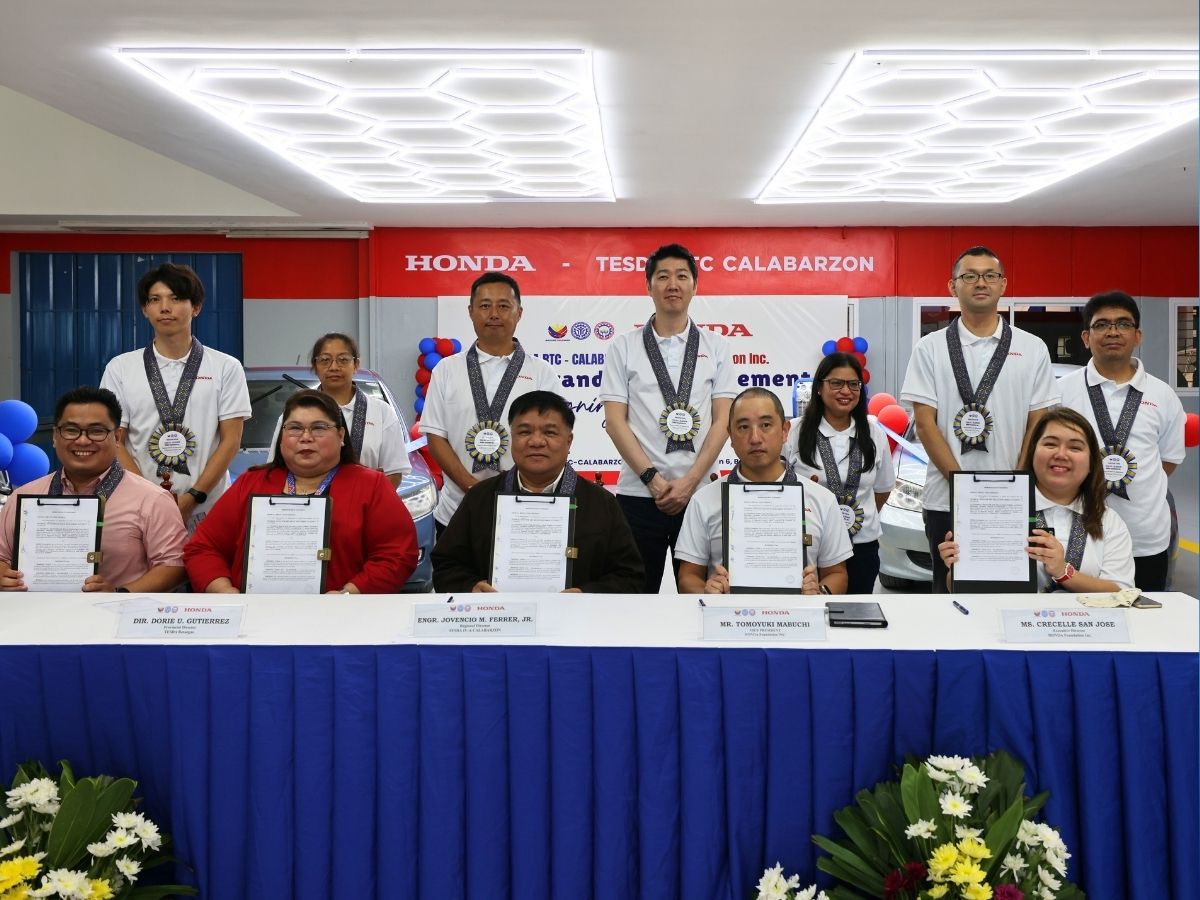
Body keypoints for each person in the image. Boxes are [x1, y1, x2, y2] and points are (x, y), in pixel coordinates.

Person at [900, 246, 1058, 593]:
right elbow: (925, 423)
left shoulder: (1032, 348)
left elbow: (1039, 420)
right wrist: (964, 489)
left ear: (1003, 285)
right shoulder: (930, 347)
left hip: (1013, 497)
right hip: (946, 500)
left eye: (989, 275)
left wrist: (1016, 482)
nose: (980, 282)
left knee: (1013, 592)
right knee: (949, 593)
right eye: (969, 276)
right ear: (952, 287)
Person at [601, 244, 738, 593]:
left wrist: (691, 481)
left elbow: (723, 421)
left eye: (681, 276)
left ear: (695, 285)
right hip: (637, 495)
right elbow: (616, 421)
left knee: (703, 597)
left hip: (701, 495)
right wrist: (653, 479)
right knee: (632, 598)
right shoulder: (624, 347)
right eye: (662, 276)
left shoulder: (717, 346)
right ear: (649, 287)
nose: (672, 284)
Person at [184, 390, 417, 593]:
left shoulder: (371, 486)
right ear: (282, 436)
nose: (306, 438)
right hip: (256, 619)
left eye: (319, 428)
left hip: (343, 619)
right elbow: (203, 548)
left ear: (341, 436)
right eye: (295, 428)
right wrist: (225, 592)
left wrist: (350, 595)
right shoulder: (251, 483)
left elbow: (397, 555)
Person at [432, 391, 644, 593]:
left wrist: (586, 594)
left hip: (578, 622)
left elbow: (630, 576)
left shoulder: (600, 503)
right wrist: (471, 587)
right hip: (496, 621)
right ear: (512, 438)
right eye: (524, 432)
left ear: (569, 441)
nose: (536, 442)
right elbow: (446, 565)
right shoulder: (480, 497)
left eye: (550, 433)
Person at [100, 262, 251, 531]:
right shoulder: (121, 368)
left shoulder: (226, 367)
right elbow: (115, 441)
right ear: (145, 310)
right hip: (139, 508)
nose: (165, 307)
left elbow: (231, 440)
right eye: (155, 300)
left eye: (176, 298)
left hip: (209, 506)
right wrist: (149, 499)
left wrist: (193, 498)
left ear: (196, 307)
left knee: (206, 572)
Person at [1057, 291, 1186, 591]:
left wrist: (1123, 479)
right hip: (1078, 535)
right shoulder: (1061, 393)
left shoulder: (1162, 394)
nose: (1113, 331)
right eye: (1102, 324)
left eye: (1123, 324)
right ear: (1086, 337)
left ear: (1137, 335)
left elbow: (1167, 460)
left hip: (1145, 538)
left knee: (1145, 626)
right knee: (1078, 625)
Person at [0, 387, 187, 592]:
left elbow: (174, 566)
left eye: (96, 431)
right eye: (71, 430)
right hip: (34, 617)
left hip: (116, 619)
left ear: (117, 438)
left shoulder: (152, 500)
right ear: (55, 436)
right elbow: (2, 557)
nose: (82, 440)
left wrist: (118, 593)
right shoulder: (22, 497)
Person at [937, 407, 1135, 593]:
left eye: (1075, 447)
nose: (1061, 454)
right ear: (1032, 453)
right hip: (1007, 624)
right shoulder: (994, 510)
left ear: (1092, 463)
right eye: (1050, 444)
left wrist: (1063, 572)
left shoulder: (1108, 521)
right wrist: (956, 570)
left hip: (1085, 627)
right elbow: (958, 589)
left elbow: (1121, 593)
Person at [422, 272, 560, 535]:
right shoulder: (446, 370)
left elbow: (552, 438)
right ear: (471, 311)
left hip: (523, 509)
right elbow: (436, 437)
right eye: (485, 306)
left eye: (503, 306)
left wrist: (516, 490)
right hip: (457, 512)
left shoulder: (543, 374)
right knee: (459, 578)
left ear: (519, 313)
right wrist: (473, 489)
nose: (494, 313)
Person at [676, 388, 852, 595]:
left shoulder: (821, 499)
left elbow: (837, 574)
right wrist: (708, 592)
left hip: (798, 621)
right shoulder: (703, 500)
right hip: (729, 620)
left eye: (766, 425)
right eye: (743, 427)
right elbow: (688, 577)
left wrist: (820, 591)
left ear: (785, 431)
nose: (755, 438)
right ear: (730, 436)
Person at [787, 353, 895, 594]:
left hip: (861, 545)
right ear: (819, 387)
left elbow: (882, 489)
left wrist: (852, 518)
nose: (845, 391)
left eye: (853, 384)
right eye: (836, 383)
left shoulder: (875, 434)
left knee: (856, 620)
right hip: (809, 546)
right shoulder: (795, 431)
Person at [267, 333, 411, 487]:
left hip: (363, 505)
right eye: (325, 360)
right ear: (315, 366)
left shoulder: (381, 412)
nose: (334, 367)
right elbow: (276, 469)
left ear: (356, 365)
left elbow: (394, 472)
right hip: (308, 506)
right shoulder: (294, 414)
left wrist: (371, 503)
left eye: (343, 359)